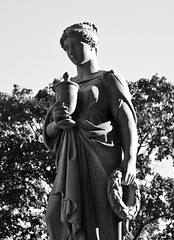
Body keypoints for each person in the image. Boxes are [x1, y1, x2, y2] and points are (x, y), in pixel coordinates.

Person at [43, 22, 138, 240]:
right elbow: (48, 131)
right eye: (67, 48)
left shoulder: (108, 79)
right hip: (70, 158)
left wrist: (130, 159)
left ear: (92, 45)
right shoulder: (65, 87)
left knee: (102, 218)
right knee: (55, 216)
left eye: (75, 45)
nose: (71, 52)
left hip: (102, 155)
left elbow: (127, 121)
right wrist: (58, 123)